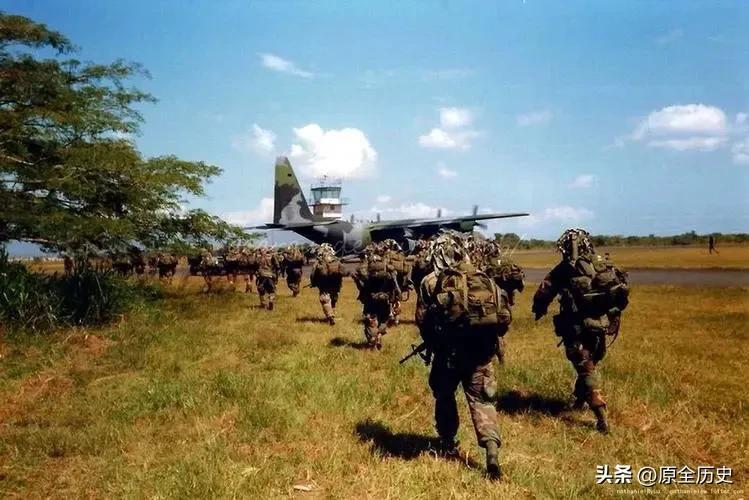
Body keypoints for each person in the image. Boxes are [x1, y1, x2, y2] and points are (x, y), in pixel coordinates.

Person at [416, 231, 511, 480]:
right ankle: (491, 451)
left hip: (448, 355)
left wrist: (435, 343)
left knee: (445, 397)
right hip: (481, 354)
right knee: (483, 402)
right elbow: (503, 317)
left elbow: (422, 321)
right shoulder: (482, 278)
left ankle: (448, 442)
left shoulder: (430, 281)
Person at [531, 228, 630, 434]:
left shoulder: (564, 269)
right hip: (599, 326)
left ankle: (600, 412)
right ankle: (579, 399)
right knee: (589, 364)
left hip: (575, 328)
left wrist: (539, 309)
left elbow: (544, 292)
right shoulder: (603, 265)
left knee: (586, 368)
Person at [353, 244, 398, 349]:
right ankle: (379, 336)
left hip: (370, 299)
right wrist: (393, 297)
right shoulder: (387, 265)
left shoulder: (366, 266)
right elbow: (394, 284)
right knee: (383, 319)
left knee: (370, 319)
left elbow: (363, 284)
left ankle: (373, 340)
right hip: (384, 298)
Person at [309, 243, 344, 325]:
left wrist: (313, 283)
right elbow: (342, 271)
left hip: (324, 284)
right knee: (333, 299)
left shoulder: (320, 261)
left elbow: (312, 274)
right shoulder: (335, 259)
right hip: (335, 283)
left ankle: (330, 315)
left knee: (325, 300)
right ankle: (332, 314)